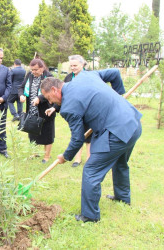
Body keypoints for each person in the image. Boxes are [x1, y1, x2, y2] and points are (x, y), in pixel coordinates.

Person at [41, 76, 142, 223]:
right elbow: (113, 73)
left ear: (54, 89)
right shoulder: (85, 76)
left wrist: (66, 156)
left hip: (117, 131)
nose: (50, 102)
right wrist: (119, 92)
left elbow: (77, 139)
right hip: (133, 123)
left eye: (48, 97)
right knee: (119, 162)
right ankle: (122, 197)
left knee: (91, 171)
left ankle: (89, 216)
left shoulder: (68, 107)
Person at [64, 55, 126, 167]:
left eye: (75, 65)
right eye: (71, 66)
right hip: (77, 113)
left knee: (90, 136)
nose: (73, 68)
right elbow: (64, 97)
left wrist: (118, 94)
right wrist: (55, 107)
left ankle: (89, 158)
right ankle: (77, 159)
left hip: (90, 112)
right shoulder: (68, 78)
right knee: (77, 135)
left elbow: (113, 74)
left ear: (82, 64)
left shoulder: (91, 75)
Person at [18, 58, 56, 164]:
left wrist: (39, 98)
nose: (34, 72)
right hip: (32, 109)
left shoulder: (49, 77)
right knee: (32, 132)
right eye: (32, 70)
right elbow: (21, 87)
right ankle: (34, 152)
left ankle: (47, 156)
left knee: (47, 133)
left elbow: (50, 92)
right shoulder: (29, 75)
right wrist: (21, 95)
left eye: (36, 70)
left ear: (42, 68)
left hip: (46, 109)